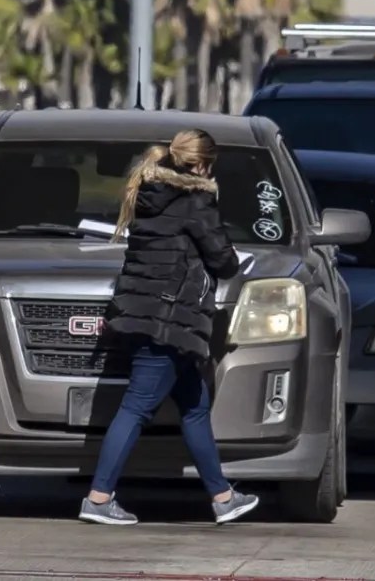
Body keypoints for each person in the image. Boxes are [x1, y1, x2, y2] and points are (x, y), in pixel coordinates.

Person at [79, 129, 259, 527]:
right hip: (168, 321)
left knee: (194, 408)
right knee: (137, 407)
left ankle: (223, 497)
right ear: (202, 164)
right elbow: (223, 260)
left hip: (146, 314)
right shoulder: (196, 201)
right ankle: (98, 497)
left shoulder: (149, 196)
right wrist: (234, 262)